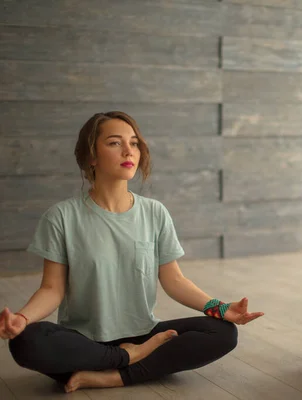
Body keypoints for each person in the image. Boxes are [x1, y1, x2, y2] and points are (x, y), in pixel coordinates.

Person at [0, 111, 263, 393]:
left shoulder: (155, 212)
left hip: (143, 334)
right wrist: (22, 318)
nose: (129, 151)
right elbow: (52, 289)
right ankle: (127, 360)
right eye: (115, 143)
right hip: (84, 341)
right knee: (26, 341)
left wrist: (221, 308)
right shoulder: (61, 217)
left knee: (223, 332)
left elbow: (174, 280)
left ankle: (111, 376)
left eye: (134, 143)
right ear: (91, 156)